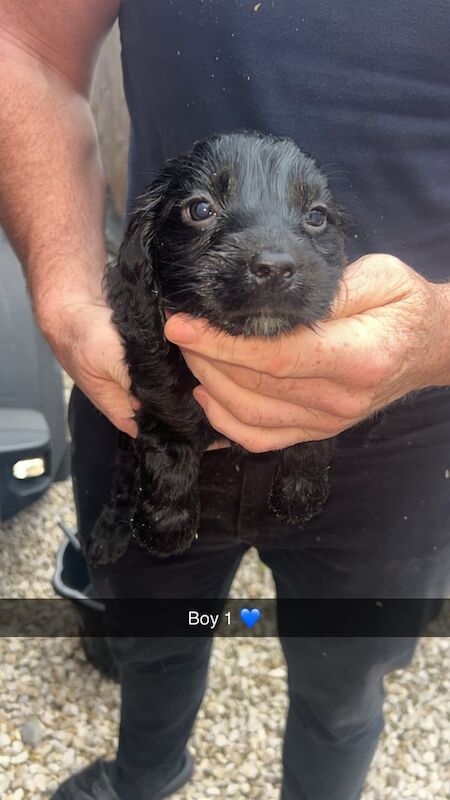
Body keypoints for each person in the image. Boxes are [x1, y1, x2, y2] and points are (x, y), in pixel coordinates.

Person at [1, 2, 449, 799]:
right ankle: (149, 772)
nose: (274, 257)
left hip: (407, 421)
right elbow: (23, 42)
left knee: (345, 683)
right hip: (148, 403)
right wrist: (70, 304)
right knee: (156, 641)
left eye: (312, 220)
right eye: (205, 210)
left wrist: (438, 337)